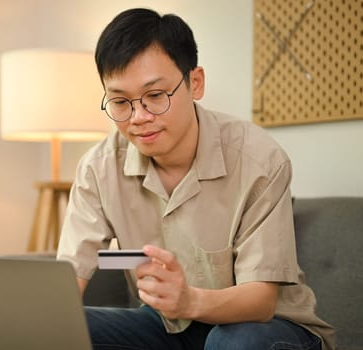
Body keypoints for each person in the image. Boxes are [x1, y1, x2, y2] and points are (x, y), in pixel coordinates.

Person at [56, 7, 335, 350]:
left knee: (233, 341)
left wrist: (188, 301)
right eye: (120, 101)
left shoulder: (259, 159)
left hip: (269, 327)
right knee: (63, 328)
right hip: (168, 325)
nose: (138, 117)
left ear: (195, 83)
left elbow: (261, 301)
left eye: (155, 96)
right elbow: (68, 280)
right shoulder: (98, 169)